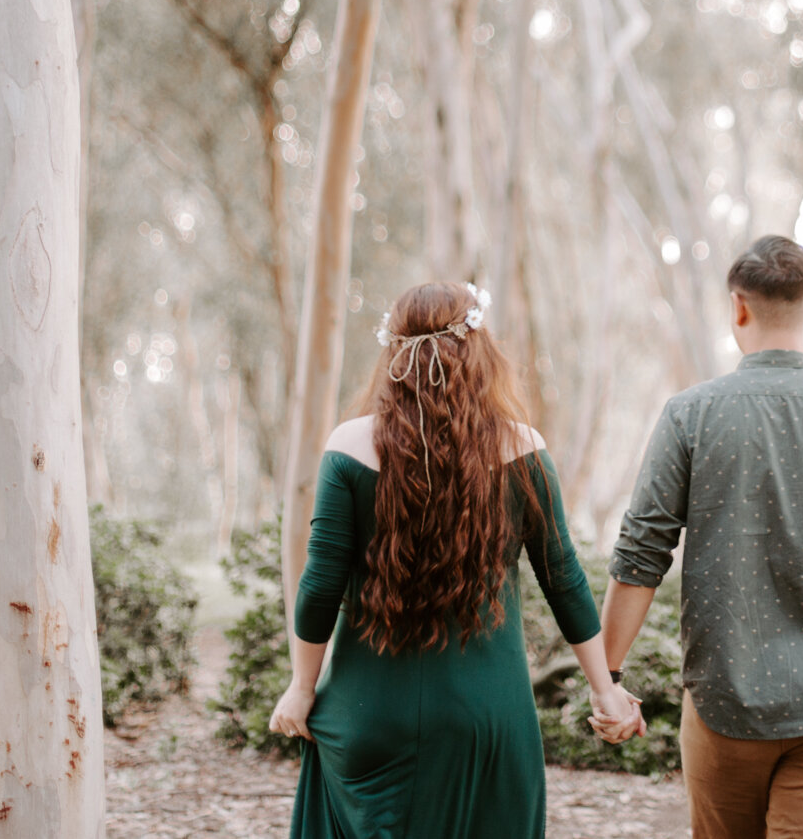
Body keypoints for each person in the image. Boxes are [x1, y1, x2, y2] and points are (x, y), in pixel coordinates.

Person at [268, 281, 641, 838]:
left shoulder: (347, 447)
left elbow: (320, 585)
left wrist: (301, 688)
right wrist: (604, 689)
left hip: (366, 716)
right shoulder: (523, 448)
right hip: (486, 721)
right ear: (480, 353)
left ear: (393, 354)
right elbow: (562, 579)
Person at [599, 235, 803, 839]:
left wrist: (611, 679)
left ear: (738, 307)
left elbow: (639, 557)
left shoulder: (689, 414)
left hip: (726, 703)